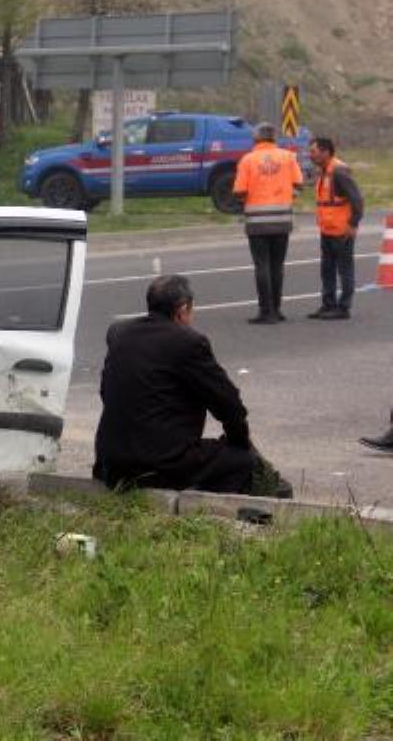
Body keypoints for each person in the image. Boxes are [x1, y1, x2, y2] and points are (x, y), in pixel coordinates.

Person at [93, 274, 291, 497]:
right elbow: (227, 402)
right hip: (158, 465)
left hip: (111, 463)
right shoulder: (188, 342)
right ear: (182, 309)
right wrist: (239, 442)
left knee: (211, 455)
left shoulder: (119, 333)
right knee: (242, 463)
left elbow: (106, 392)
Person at [232, 122, 301, 324]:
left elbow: (239, 191)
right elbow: (298, 184)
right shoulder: (288, 157)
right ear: (274, 138)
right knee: (277, 265)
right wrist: (287, 198)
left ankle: (266, 311)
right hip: (282, 219)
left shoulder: (248, 160)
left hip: (257, 221)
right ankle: (277, 310)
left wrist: (244, 204)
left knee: (262, 265)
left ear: (256, 138)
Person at [307, 137, 363, 320]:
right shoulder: (324, 171)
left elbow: (357, 199)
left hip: (342, 231)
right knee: (327, 270)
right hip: (327, 230)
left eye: (314, 151)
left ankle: (343, 307)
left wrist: (353, 224)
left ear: (325, 152)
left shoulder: (339, 172)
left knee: (344, 269)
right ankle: (328, 305)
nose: (311, 155)